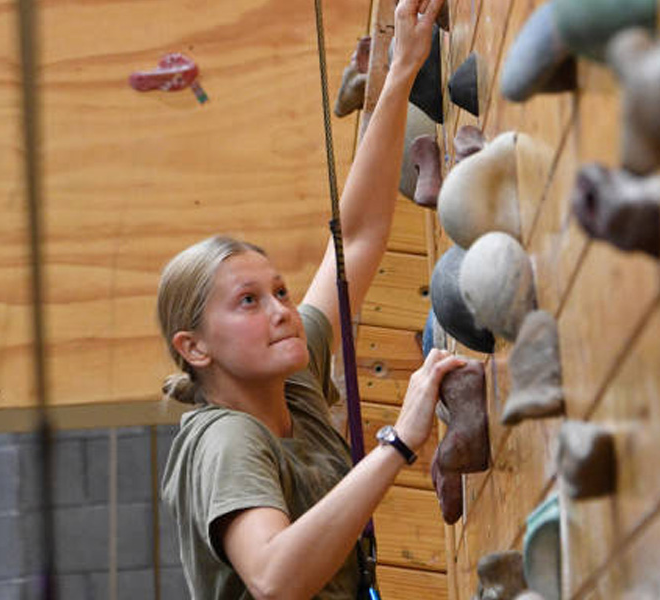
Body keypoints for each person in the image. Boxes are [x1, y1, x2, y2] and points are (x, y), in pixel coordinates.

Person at [158, 1, 463, 598]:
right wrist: (399, 441)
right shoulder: (227, 438)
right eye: (248, 302)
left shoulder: (289, 384)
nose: (281, 311)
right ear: (194, 347)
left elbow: (355, 237)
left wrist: (403, 68)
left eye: (280, 291)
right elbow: (273, 578)